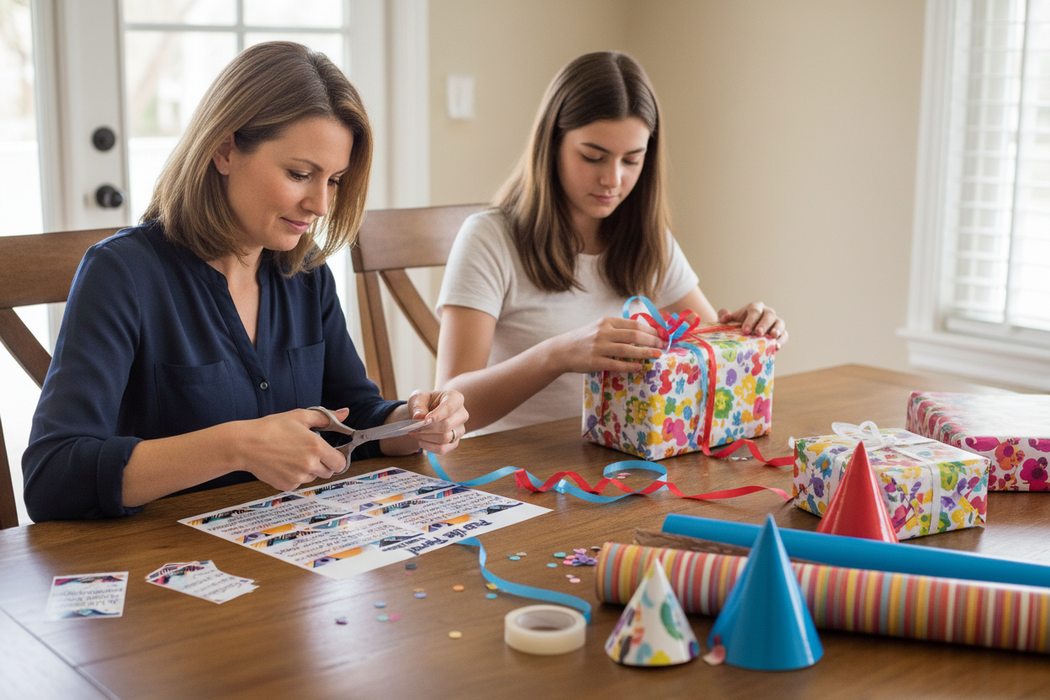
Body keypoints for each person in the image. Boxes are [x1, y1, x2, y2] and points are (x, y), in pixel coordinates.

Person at [22, 42, 467, 522]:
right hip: (165, 572)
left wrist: (411, 424)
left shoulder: (306, 271)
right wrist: (235, 446)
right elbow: (52, 477)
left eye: (334, 180)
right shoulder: (122, 273)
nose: (320, 204)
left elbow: (353, 415)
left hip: (291, 563)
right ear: (224, 150)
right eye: (300, 174)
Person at [435, 51, 785, 437]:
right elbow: (448, 401)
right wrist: (559, 354)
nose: (612, 179)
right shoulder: (489, 239)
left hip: (622, 464)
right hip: (513, 473)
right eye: (593, 156)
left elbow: (709, 355)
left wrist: (748, 332)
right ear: (552, 144)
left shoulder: (649, 242)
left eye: (631, 160)